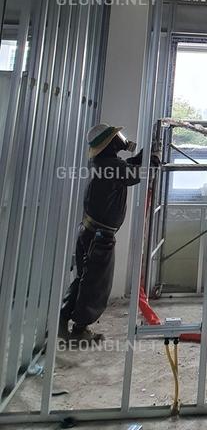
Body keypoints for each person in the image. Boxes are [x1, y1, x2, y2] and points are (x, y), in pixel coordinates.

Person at [59, 123, 158, 346]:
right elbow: (136, 174)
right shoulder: (110, 165)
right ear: (108, 143)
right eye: (116, 136)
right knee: (96, 284)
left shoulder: (103, 162)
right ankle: (80, 330)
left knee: (84, 278)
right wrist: (153, 161)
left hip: (89, 231)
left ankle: (62, 320)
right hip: (100, 237)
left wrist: (144, 156)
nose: (120, 139)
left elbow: (127, 168)